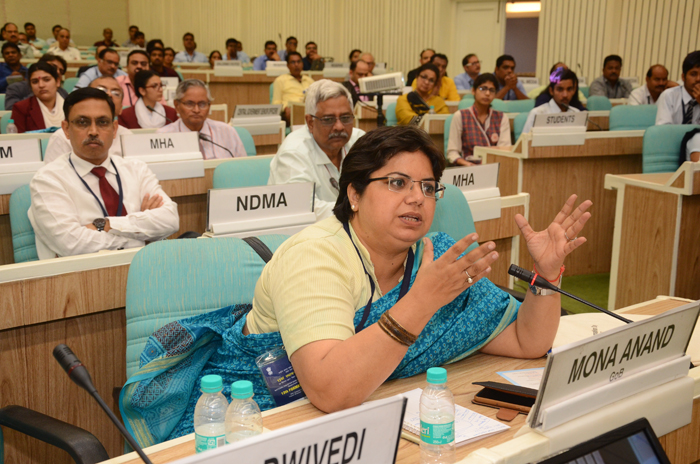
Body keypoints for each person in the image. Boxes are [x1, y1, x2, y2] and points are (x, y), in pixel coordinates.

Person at [119, 125, 592, 441]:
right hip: (260, 422)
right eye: (397, 183)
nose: (417, 198)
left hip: (377, 411)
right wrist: (422, 299)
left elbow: (528, 341)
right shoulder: (315, 257)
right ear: (355, 194)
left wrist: (546, 277)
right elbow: (330, 390)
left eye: (428, 187)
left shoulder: (433, 254)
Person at [28, 87, 179, 260]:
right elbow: (72, 244)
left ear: (114, 129)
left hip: (145, 267)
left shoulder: (136, 169)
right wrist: (143, 236)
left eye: (102, 122)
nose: (93, 131)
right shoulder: (48, 179)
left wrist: (104, 225)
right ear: (66, 129)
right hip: (81, 275)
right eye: (82, 122)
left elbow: (170, 219)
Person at [269, 79, 365, 220]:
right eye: (328, 119)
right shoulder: (293, 152)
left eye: (345, 118)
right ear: (310, 122)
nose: (339, 126)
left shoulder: (359, 141)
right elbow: (302, 209)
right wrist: (361, 210)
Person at [45, 76, 132, 164]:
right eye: (82, 122)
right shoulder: (60, 137)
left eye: (116, 93)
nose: (109, 94)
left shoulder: (127, 136)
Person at [157, 79, 246, 159]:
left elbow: (243, 167)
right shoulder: (162, 137)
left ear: (209, 106)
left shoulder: (227, 132)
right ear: (177, 106)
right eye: (189, 104)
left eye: (202, 104)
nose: (196, 110)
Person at [447, 73, 511, 165]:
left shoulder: (501, 117)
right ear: (473, 91)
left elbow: (505, 149)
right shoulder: (460, 116)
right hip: (468, 167)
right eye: (483, 89)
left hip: (493, 165)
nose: (487, 93)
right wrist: (467, 164)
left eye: (492, 90)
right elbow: (452, 153)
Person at [522, 68, 580, 134]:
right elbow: (525, 139)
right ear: (551, 91)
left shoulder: (576, 113)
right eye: (560, 89)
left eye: (569, 89)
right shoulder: (538, 114)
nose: (565, 95)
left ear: (574, 91)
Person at [11, 62, 64, 132]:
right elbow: (17, 138)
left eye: (46, 80)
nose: (41, 85)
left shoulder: (71, 107)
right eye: (35, 82)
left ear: (57, 82)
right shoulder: (21, 108)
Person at [656, 51, 700, 125]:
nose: (698, 79)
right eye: (693, 74)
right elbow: (663, 130)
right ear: (683, 77)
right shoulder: (669, 95)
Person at [271, 51, 314, 122]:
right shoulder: (280, 80)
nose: (296, 65)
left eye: (299, 62)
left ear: (302, 64)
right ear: (288, 65)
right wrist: (285, 108)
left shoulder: (309, 80)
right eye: (293, 62)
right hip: (290, 111)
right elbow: (276, 102)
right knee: (290, 113)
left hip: (308, 110)